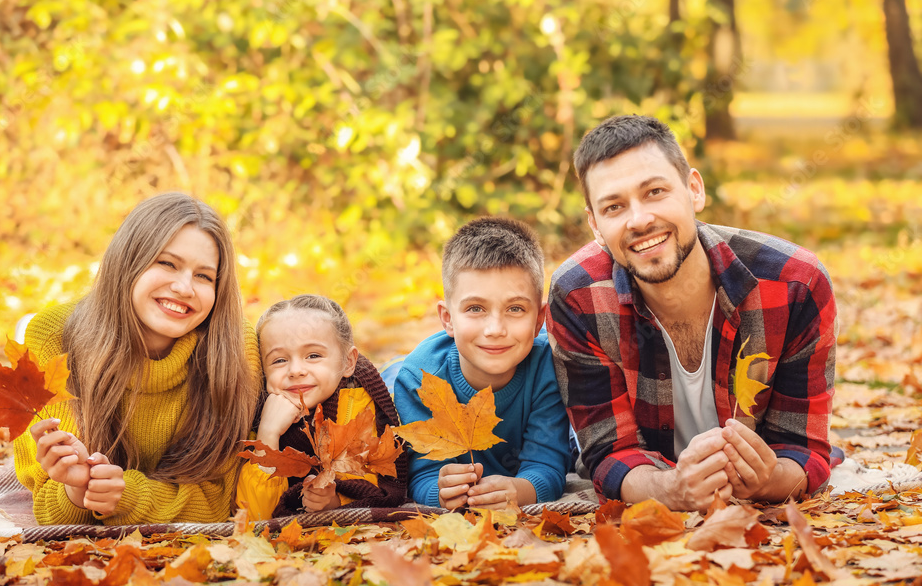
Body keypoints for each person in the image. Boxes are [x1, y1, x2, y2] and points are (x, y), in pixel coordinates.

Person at [547, 115, 838, 512]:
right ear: (595, 226)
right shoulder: (578, 295)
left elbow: (804, 450)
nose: (639, 220)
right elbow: (608, 454)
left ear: (694, 190)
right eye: (614, 207)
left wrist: (767, 480)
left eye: (654, 191)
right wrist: (670, 489)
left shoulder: (796, 285)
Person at [14, 192, 261, 525]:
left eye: (204, 276)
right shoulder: (55, 337)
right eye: (166, 263)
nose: (185, 288)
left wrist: (125, 497)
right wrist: (77, 490)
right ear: (127, 261)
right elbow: (47, 506)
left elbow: (217, 501)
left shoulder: (234, 349)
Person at [394, 217, 570, 509]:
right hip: (410, 367)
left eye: (515, 309)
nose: (495, 329)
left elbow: (548, 465)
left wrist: (520, 490)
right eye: (476, 308)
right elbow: (420, 475)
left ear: (539, 319)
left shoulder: (548, 369)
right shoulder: (418, 380)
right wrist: (440, 492)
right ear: (447, 318)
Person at [236, 295, 407, 518]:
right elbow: (255, 516)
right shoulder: (254, 411)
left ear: (348, 363)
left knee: (399, 376)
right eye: (279, 360)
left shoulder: (361, 405)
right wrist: (268, 435)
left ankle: (396, 365)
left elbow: (381, 484)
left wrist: (337, 500)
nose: (296, 370)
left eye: (313, 355)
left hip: (384, 383)